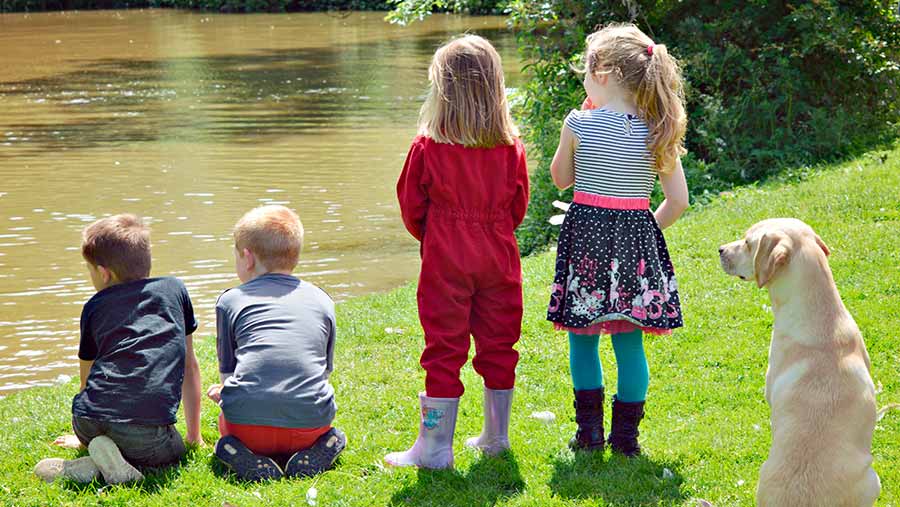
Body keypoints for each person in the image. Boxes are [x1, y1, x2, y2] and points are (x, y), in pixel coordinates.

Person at [384, 34, 530, 469]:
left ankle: (434, 447)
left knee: (444, 349)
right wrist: (492, 229)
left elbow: (411, 206)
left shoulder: (427, 148)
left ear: (442, 89)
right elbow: (518, 206)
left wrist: (435, 237)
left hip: (447, 257)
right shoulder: (511, 147)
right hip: (498, 254)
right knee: (500, 342)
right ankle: (495, 436)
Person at [546, 23, 689, 456]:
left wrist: (575, 129)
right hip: (635, 252)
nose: (584, 82)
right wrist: (642, 231)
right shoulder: (657, 130)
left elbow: (561, 180)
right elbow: (678, 201)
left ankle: (588, 435)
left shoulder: (580, 122)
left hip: (586, 245)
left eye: (586, 75)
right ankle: (626, 439)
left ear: (602, 74)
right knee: (630, 344)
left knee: (582, 338)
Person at [34, 214, 202, 484]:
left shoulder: (94, 307)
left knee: (108, 430)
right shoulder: (174, 289)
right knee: (174, 449)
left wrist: (81, 436)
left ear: (103, 273)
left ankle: (94, 457)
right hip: (145, 436)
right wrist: (194, 437)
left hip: (87, 420)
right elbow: (189, 365)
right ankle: (115, 462)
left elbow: (86, 380)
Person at [207, 205, 345, 481]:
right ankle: (323, 446)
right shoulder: (322, 300)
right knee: (333, 431)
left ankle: (236, 451)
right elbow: (325, 370)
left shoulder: (230, 300)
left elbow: (228, 374)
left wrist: (224, 393)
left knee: (227, 422)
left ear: (247, 258)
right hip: (310, 426)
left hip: (247, 430)